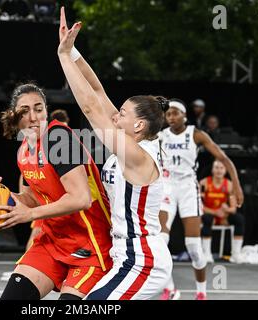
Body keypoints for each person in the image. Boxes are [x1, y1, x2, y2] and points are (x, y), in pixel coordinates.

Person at [57, 7, 172, 300]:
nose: (115, 116)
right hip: (124, 254)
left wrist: (61, 57)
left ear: (139, 124)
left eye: (121, 113)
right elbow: (96, 90)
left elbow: (89, 107)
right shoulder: (129, 136)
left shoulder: (137, 156)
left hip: (142, 260)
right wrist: (72, 51)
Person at [0, 82, 112, 300]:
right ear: (14, 115)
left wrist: (30, 215)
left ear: (46, 111)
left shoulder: (57, 138)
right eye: (25, 110)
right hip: (53, 242)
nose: (33, 117)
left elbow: (81, 198)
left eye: (39, 109)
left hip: (89, 244)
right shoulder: (24, 150)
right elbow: (35, 196)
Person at [158, 99, 243, 300]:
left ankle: (201, 292)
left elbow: (223, 159)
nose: (171, 117)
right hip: (167, 187)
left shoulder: (196, 134)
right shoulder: (160, 136)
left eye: (175, 113)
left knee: (194, 247)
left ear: (184, 115)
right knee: (160, 241)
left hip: (188, 188)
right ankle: (169, 288)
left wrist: (236, 185)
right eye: (168, 114)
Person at [24, 108, 70, 250]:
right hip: (46, 201)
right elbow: (28, 173)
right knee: (36, 234)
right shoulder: (39, 146)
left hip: (63, 202)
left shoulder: (69, 143)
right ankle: (26, 261)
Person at [200, 160, 245, 264]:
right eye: (216, 168)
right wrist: (215, 212)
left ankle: (236, 254)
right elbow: (199, 206)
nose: (219, 170)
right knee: (207, 219)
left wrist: (226, 209)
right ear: (212, 170)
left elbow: (233, 208)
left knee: (239, 219)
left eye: (221, 168)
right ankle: (206, 254)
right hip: (209, 214)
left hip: (223, 217)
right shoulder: (204, 183)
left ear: (225, 171)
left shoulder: (229, 185)